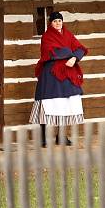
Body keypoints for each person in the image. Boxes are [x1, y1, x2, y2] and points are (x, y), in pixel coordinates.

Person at [29, 11, 88, 144]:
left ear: (62, 22)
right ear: (51, 23)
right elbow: (50, 52)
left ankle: (61, 137)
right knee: (47, 103)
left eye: (59, 21)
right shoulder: (46, 36)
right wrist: (69, 52)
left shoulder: (68, 35)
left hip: (68, 73)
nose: (57, 23)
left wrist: (74, 57)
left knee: (65, 103)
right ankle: (43, 138)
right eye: (55, 21)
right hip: (51, 74)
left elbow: (80, 48)